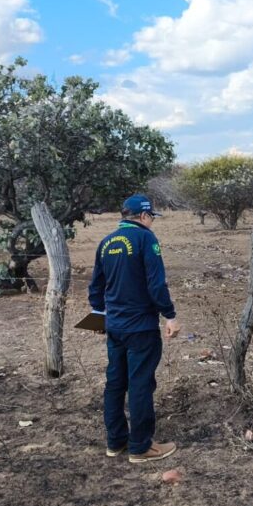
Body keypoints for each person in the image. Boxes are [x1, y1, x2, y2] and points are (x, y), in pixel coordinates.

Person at [89, 194, 181, 463]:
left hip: (115, 326)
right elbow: (156, 284)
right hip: (141, 327)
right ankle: (141, 446)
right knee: (140, 383)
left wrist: (99, 315)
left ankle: (115, 441)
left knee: (115, 382)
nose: (152, 222)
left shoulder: (106, 242)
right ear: (143, 216)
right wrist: (170, 315)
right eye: (152, 217)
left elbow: (96, 287)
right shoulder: (146, 239)